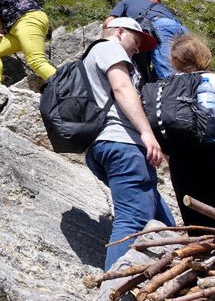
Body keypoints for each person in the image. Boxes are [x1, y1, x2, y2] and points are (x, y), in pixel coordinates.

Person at [82, 17, 176, 270]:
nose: (138, 48)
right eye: (137, 39)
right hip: (122, 143)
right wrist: (146, 133)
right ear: (120, 32)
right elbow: (123, 88)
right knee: (133, 220)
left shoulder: (94, 56)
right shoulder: (109, 47)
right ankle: (114, 290)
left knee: (164, 225)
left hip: (105, 145)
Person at [164, 35, 215, 229]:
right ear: (205, 56)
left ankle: (205, 257)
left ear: (175, 61)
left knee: (198, 225)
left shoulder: (166, 85)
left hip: (180, 160)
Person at [105, 0, 187, 82]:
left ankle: (170, 91)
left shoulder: (129, 0)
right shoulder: (162, 8)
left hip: (160, 26)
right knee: (185, 63)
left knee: (165, 68)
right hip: (182, 28)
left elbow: (109, 21)